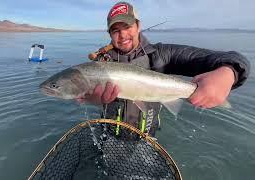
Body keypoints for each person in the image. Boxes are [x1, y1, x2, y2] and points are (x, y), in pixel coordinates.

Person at [82, 2, 250, 137]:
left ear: (138, 26)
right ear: (110, 34)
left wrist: (228, 72)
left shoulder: (162, 54)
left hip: (147, 138)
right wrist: (94, 100)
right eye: (116, 30)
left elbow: (234, 59)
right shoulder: (101, 63)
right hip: (108, 136)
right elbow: (90, 99)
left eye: (127, 26)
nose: (123, 35)